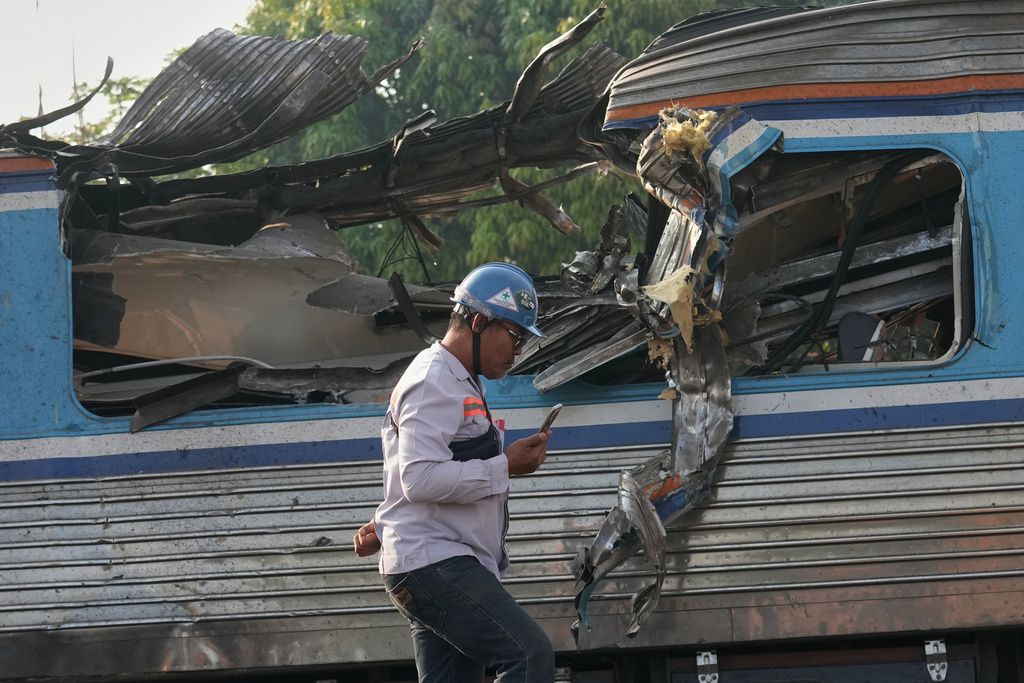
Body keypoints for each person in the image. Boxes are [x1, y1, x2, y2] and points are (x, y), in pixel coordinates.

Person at [353, 262, 556, 683]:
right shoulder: (434, 380)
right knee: (529, 655)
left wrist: (383, 520)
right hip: (437, 563)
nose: (517, 351)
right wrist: (506, 466)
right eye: (515, 336)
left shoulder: (458, 379)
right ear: (479, 322)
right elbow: (420, 478)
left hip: (432, 560)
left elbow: (411, 468)